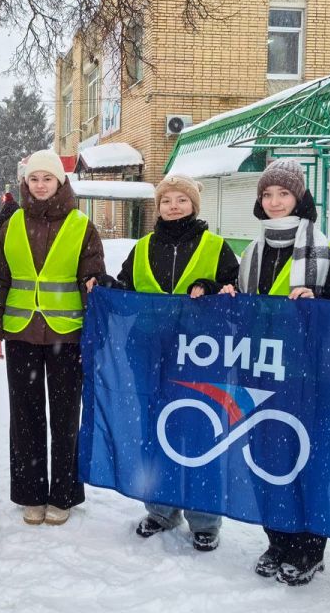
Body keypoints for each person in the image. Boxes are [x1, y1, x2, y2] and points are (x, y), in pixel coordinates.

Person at [88, 173, 240, 550]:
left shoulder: (216, 247)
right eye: (166, 200)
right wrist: (107, 287)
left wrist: (213, 288)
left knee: (201, 433)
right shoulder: (142, 247)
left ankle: (204, 520)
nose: (173, 206)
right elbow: (127, 292)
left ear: (194, 205)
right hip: (149, 354)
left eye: (181, 200)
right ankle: (160, 509)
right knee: (155, 432)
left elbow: (235, 294)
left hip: (200, 356)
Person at [218, 159, 330, 585]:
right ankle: (277, 538)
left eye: (283, 194)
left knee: (305, 459)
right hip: (260, 369)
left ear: (299, 198)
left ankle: (309, 548)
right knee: (267, 456)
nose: (274, 202)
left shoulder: (326, 250)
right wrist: (230, 297)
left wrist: (319, 302)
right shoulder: (252, 251)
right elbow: (243, 313)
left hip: (307, 376)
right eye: (267, 194)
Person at [0, 150, 105, 526]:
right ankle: (31, 494)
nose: (40, 185)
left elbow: (93, 279)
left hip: (68, 336)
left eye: (47, 178)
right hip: (21, 334)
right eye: (34, 179)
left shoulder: (81, 225)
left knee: (66, 418)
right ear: (26, 183)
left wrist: (94, 332)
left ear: (60, 182)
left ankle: (63, 495)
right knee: (25, 417)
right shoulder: (12, 224)